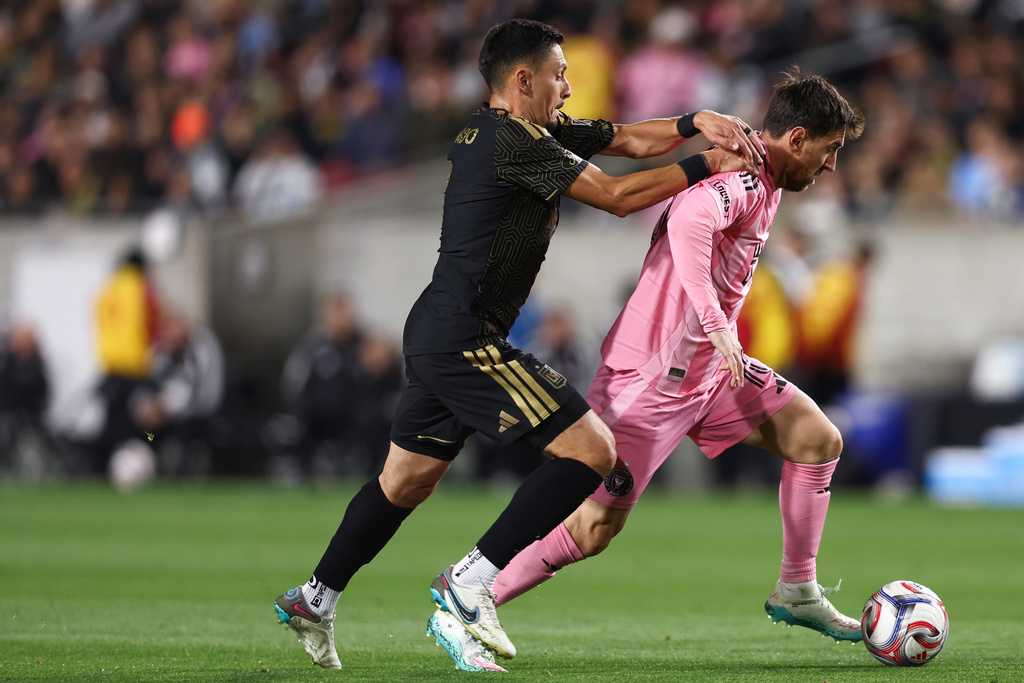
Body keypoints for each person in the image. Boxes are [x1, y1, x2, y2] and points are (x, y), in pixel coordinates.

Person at [272, 18, 763, 672]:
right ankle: (471, 578)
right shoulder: (510, 139)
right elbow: (616, 196)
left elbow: (623, 138)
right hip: (463, 336)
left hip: (441, 330)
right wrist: (705, 163)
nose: (568, 86)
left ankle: (315, 595)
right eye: (560, 74)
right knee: (592, 449)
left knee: (405, 481)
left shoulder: (529, 131)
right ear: (523, 79)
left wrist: (694, 121)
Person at [430, 66, 867, 669]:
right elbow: (689, 222)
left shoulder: (764, 183)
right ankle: (469, 595)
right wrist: (716, 324)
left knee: (817, 439)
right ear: (797, 141)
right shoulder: (741, 176)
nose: (832, 166)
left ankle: (797, 589)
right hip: (651, 379)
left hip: (711, 375)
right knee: (593, 530)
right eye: (831, 150)